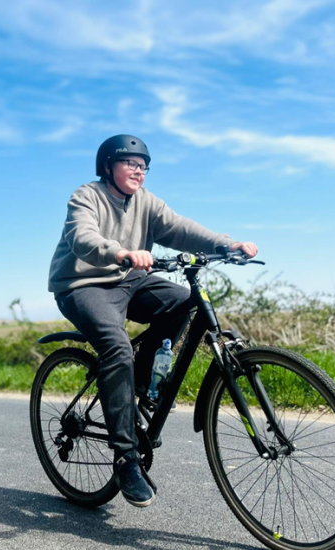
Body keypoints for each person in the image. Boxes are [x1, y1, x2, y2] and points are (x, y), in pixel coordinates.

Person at [48, 135, 258, 507]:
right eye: (129, 162)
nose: (138, 170)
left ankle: (141, 389)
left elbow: (180, 228)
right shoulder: (87, 196)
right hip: (83, 284)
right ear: (108, 166)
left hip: (129, 279)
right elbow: (83, 237)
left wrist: (226, 244)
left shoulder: (146, 202)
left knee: (183, 302)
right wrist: (122, 252)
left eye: (143, 165)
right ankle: (126, 459)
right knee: (115, 347)